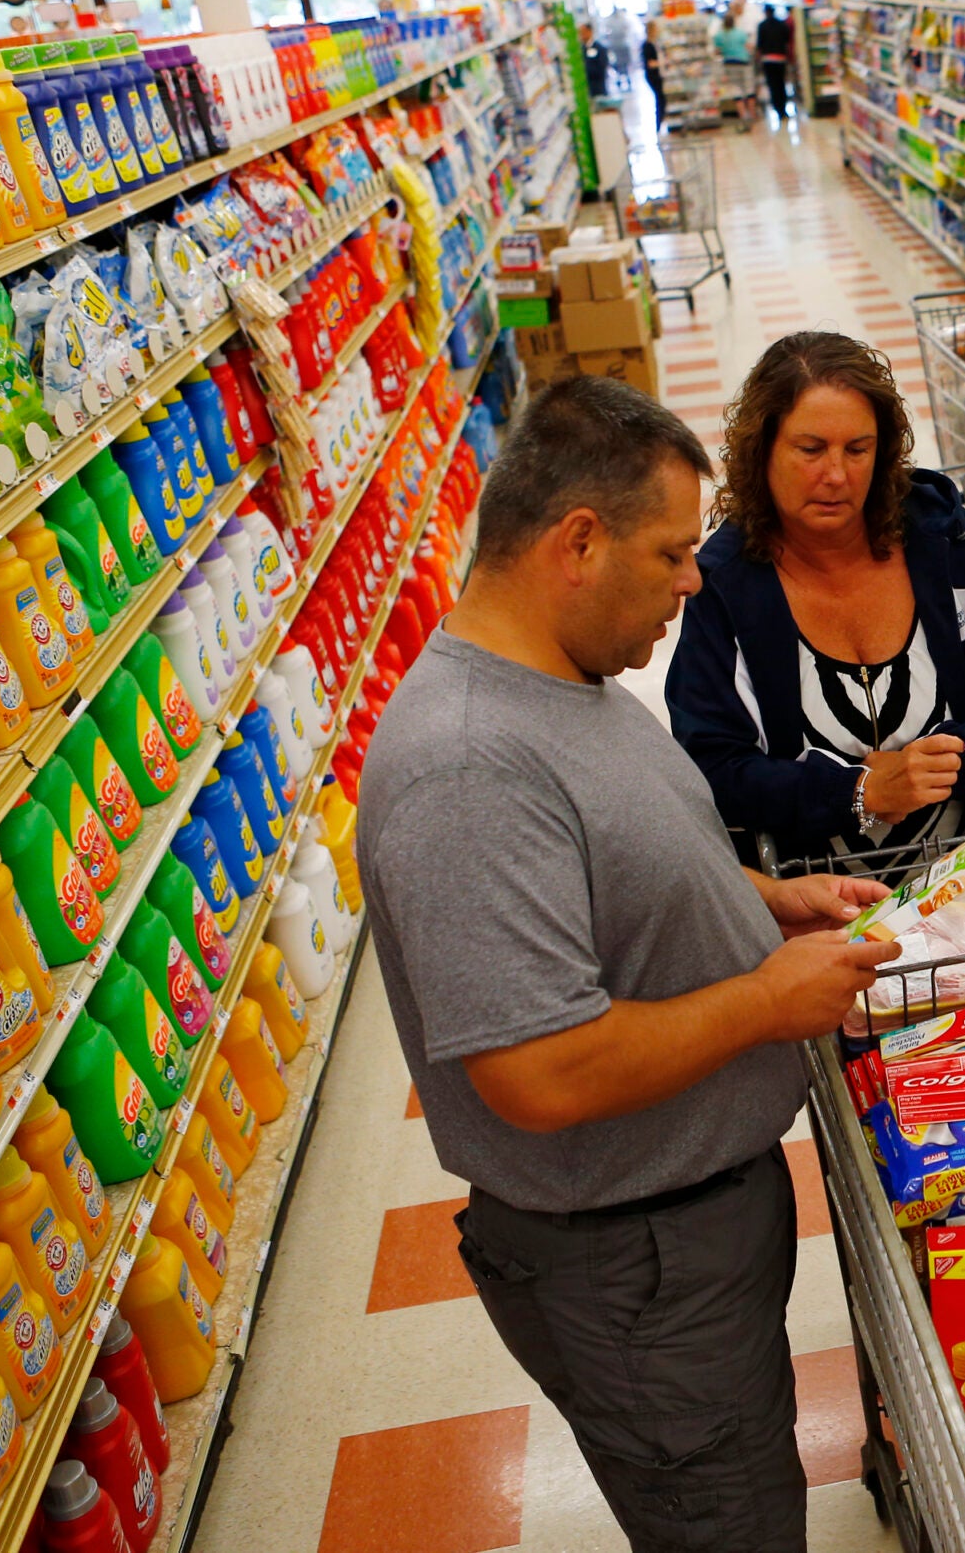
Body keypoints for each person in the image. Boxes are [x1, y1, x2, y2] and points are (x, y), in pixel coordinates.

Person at [357, 376, 900, 1549]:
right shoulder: (465, 767)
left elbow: (602, 869)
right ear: (577, 541)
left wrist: (759, 899)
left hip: (677, 1234)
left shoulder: (561, 676)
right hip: (631, 1270)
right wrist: (763, 999)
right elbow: (537, 1070)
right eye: (671, 552)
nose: (692, 580)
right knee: (731, 1524)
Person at [667, 331, 965, 863]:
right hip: (815, 916)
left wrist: (950, 765)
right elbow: (709, 770)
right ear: (763, 450)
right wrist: (858, 793)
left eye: (857, 449)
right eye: (810, 449)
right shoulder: (725, 586)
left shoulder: (942, 540)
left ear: (883, 451)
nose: (835, 475)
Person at [756, 4, 795, 121]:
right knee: (781, 84)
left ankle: (778, 110)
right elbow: (788, 40)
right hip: (781, 58)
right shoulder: (782, 24)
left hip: (768, 60)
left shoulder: (762, 26)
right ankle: (784, 110)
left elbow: (760, 44)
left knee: (772, 86)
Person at [578, 20, 613, 101]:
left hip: (598, 89)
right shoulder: (581, 49)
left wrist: (585, 69)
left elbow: (601, 68)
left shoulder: (600, 48)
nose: (581, 35)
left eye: (583, 32)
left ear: (590, 32)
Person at [639, 30, 665, 130]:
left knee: (661, 99)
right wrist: (661, 63)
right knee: (659, 99)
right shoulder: (647, 45)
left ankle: (660, 121)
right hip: (652, 76)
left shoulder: (655, 44)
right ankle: (658, 124)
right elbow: (649, 63)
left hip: (657, 74)